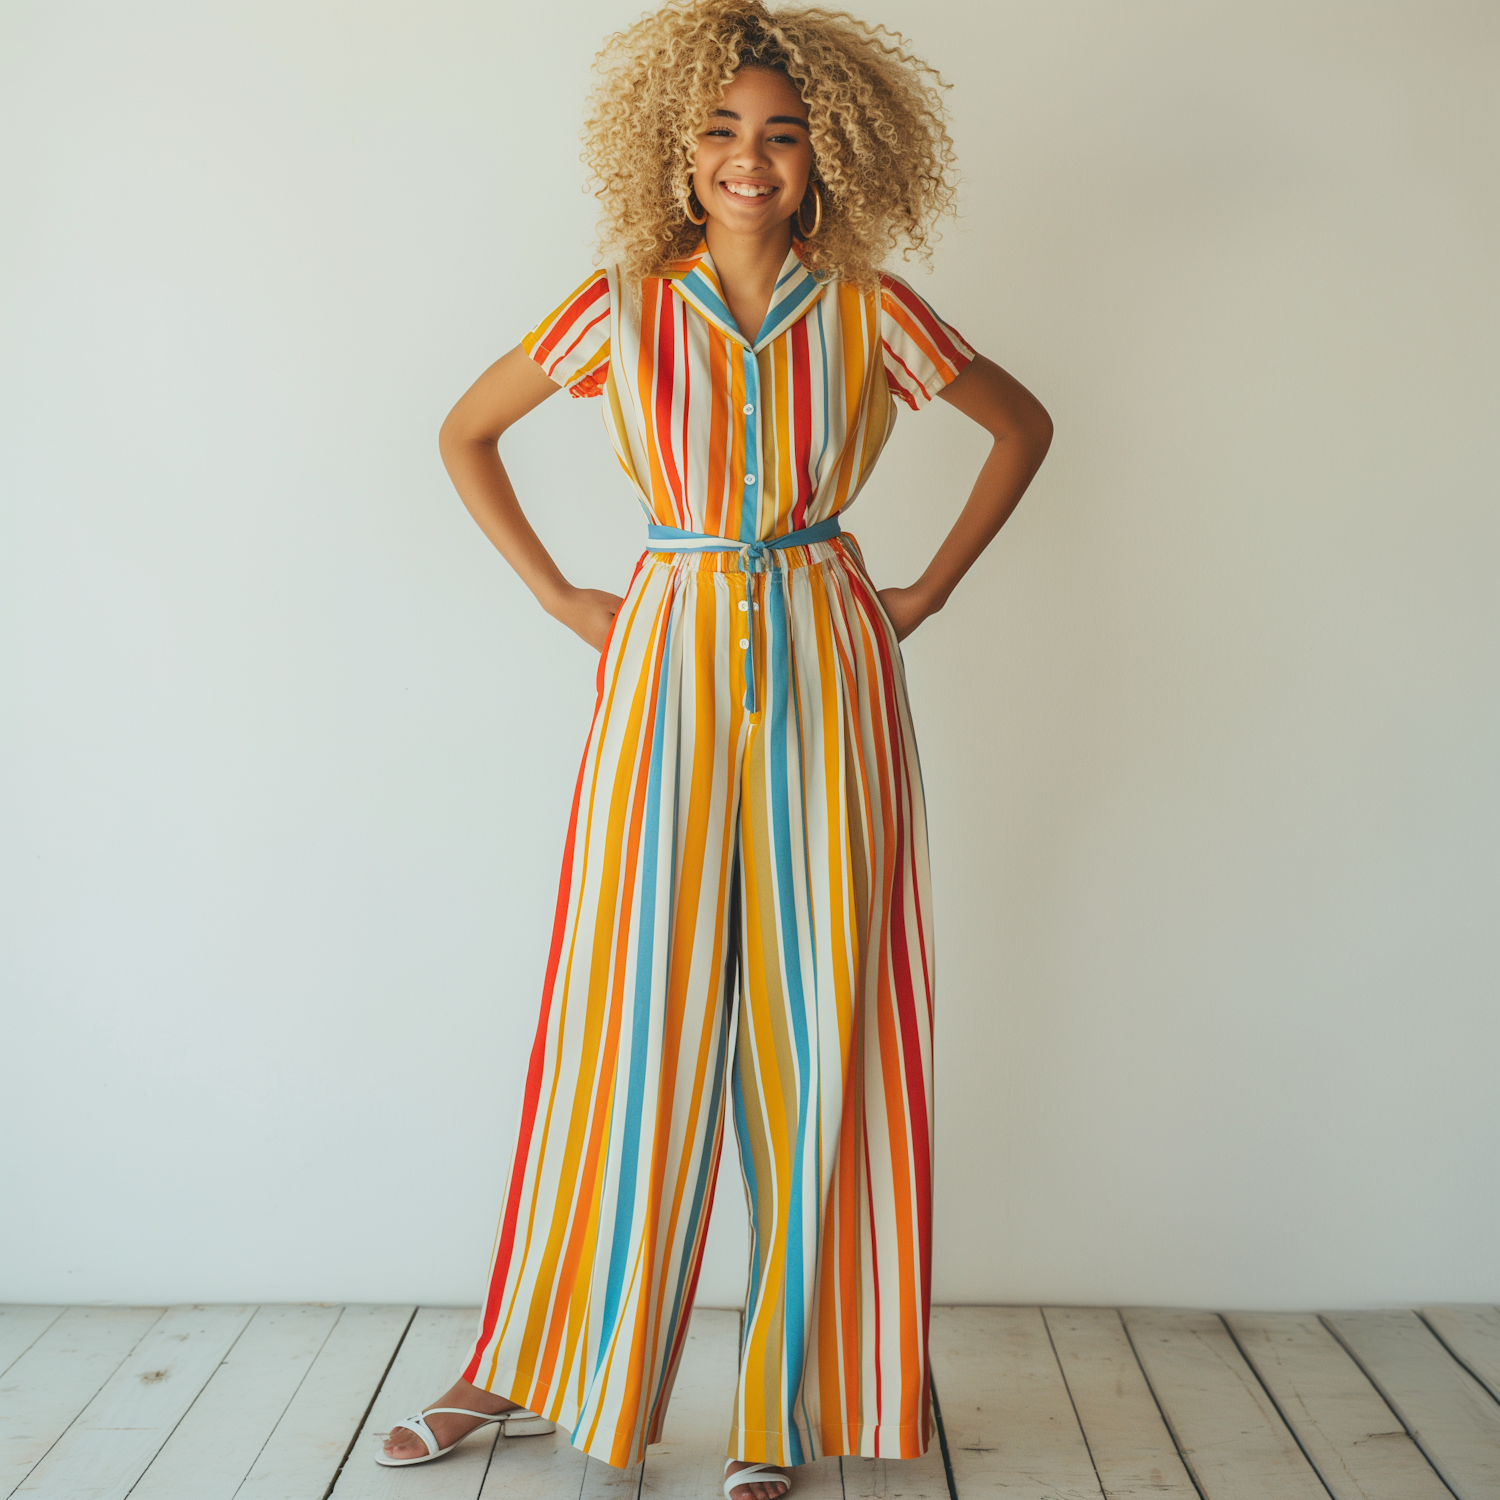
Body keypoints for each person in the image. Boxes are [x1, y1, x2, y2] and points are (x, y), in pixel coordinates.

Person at [378, 2, 1052, 1495]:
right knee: (631, 1019)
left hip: (828, 662)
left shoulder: (872, 308)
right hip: (665, 659)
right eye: (723, 132)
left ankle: (784, 1409)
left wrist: (925, 588)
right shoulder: (617, 305)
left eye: (784, 133)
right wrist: (564, 596)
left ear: (828, 155)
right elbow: (464, 433)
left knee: (823, 1028)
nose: (753, 160)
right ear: (675, 153)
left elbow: (1021, 425)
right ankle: (532, 1362)